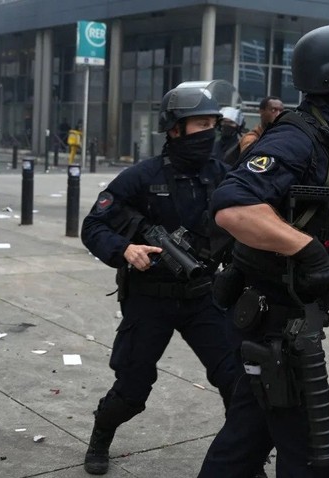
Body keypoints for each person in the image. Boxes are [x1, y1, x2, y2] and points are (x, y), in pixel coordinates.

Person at [198, 13, 329, 478]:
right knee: (311, 457)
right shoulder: (298, 136)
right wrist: (307, 251)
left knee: (247, 440)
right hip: (273, 323)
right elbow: (233, 207)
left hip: (291, 322)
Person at [79, 80, 239, 475]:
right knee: (132, 391)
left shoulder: (224, 175)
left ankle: (243, 459)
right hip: (149, 298)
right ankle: (101, 434)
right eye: (198, 125)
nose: (208, 133)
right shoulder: (140, 176)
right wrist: (125, 250)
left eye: (212, 125)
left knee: (238, 384)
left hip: (203, 296)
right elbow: (93, 225)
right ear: (174, 129)